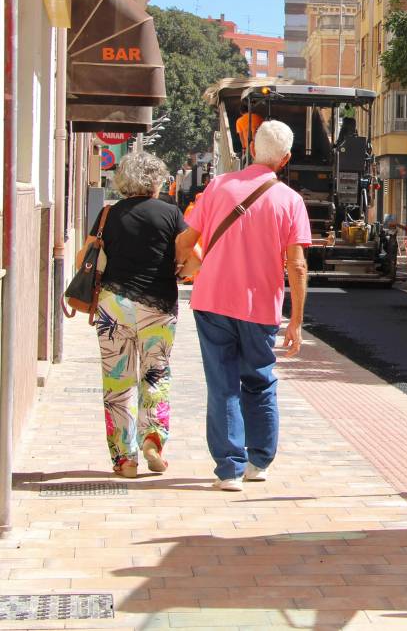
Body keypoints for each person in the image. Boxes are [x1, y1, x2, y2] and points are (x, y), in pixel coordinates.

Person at [174, 120, 311, 492]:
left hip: (212, 301)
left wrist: (195, 267)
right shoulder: (291, 201)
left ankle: (229, 468)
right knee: (260, 381)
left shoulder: (218, 187)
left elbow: (186, 241)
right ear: (285, 159)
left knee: (222, 385)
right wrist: (295, 321)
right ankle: (259, 461)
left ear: (251, 148)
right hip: (261, 308)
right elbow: (297, 265)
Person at [77, 151, 184, 479]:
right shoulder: (171, 214)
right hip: (158, 306)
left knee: (117, 381)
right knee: (155, 374)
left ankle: (125, 458)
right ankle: (152, 440)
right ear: (156, 181)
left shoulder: (108, 214)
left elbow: (86, 255)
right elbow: (184, 258)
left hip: (114, 307)